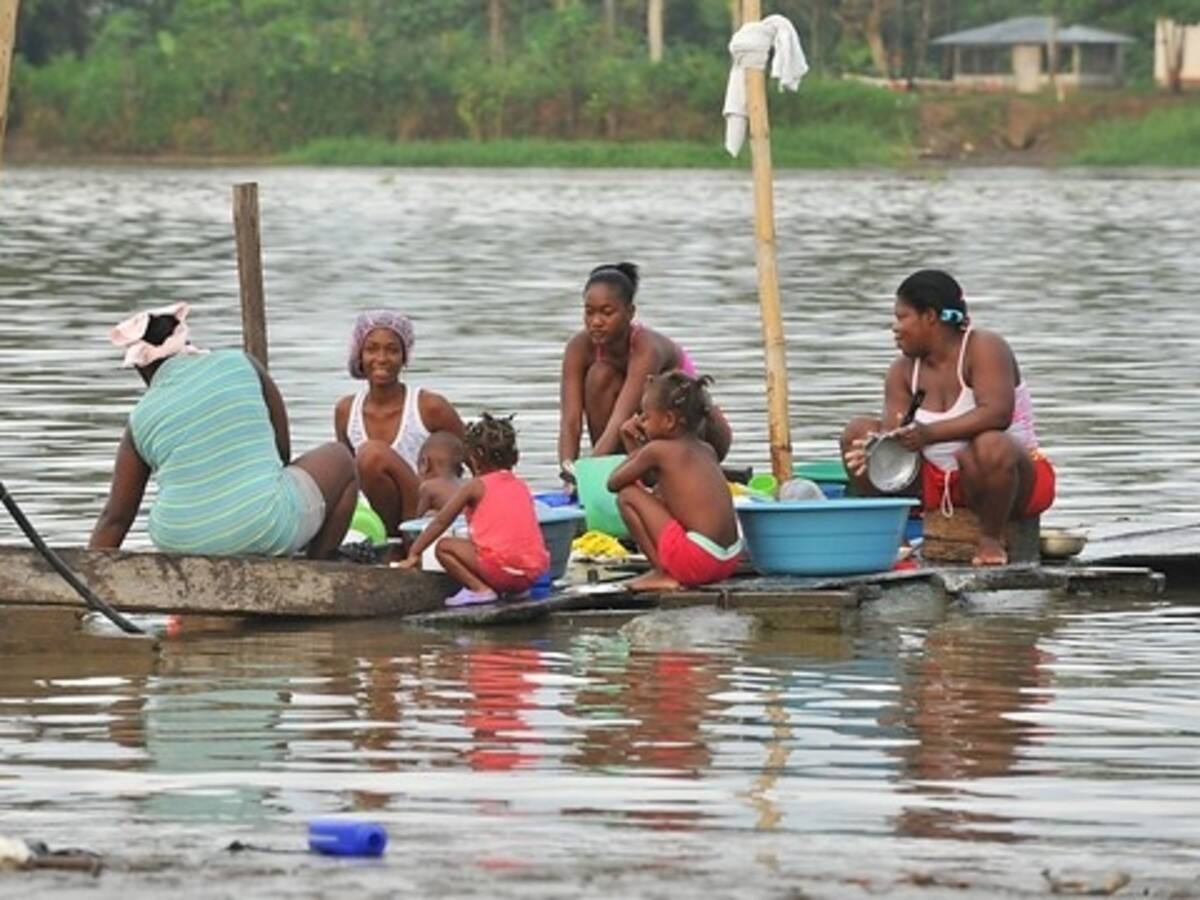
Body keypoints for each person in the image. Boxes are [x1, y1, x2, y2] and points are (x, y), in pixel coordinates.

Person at [90, 303, 357, 559]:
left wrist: (81, 584)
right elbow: (281, 455)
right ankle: (318, 564)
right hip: (264, 525)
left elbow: (116, 518)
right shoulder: (242, 364)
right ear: (184, 343)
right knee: (342, 458)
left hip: (179, 543)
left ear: (141, 365)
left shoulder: (140, 416)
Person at [840, 270, 1056, 566]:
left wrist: (928, 434)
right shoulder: (902, 371)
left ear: (930, 317)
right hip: (937, 483)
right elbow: (895, 439)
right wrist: (875, 450)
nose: (895, 328)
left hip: (1009, 480)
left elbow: (998, 413)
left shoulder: (984, 347)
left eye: (902, 317)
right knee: (856, 432)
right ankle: (896, 538)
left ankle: (990, 540)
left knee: (990, 444)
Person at [557, 263, 732, 484]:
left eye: (607, 312)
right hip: (643, 437)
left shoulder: (647, 348)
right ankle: (614, 469)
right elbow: (570, 421)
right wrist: (568, 473)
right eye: (589, 312)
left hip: (698, 435)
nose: (596, 322)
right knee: (599, 376)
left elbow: (622, 415)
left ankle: (618, 473)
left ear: (630, 313)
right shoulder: (578, 347)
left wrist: (589, 473)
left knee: (633, 400)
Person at [607, 372, 743, 593]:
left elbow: (614, 482)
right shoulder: (706, 449)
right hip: (727, 561)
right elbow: (651, 482)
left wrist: (628, 438)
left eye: (646, 416)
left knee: (628, 495)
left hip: (699, 562)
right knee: (657, 494)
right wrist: (637, 446)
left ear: (669, 420)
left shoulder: (658, 450)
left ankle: (662, 573)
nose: (641, 421)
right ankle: (668, 570)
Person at [397, 414, 549, 608]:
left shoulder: (475, 486)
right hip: (532, 574)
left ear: (474, 459)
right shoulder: (521, 485)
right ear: (515, 457)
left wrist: (414, 553)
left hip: (502, 572)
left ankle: (479, 590)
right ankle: (518, 592)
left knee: (444, 547)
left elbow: (441, 522)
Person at [334, 310, 465, 535]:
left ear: (405, 357)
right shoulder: (346, 411)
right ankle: (387, 543)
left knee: (372, 455)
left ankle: (406, 541)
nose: (382, 359)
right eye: (372, 349)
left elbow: (478, 463)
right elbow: (347, 480)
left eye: (392, 350)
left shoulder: (430, 407)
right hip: (376, 521)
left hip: (425, 517)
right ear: (360, 356)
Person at [415, 431, 466, 516]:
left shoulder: (428, 487)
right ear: (460, 470)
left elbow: (417, 519)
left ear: (425, 464)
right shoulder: (465, 486)